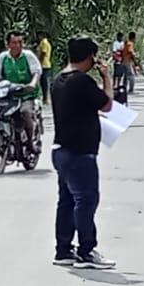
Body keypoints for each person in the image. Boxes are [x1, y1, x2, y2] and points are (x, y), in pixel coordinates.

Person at [50, 36, 115, 270]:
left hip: (61, 150)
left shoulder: (58, 80)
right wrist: (107, 76)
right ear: (90, 58)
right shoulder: (82, 81)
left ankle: (63, 250)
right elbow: (107, 105)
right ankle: (87, 251)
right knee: (86, 201)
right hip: (81, 152)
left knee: (66, 202)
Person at [0, 31, 43, 141]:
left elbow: (36, 72)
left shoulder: (28, 56)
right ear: (8, 44)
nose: (18, 45)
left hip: (26, 95)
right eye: (14, 42)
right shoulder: (3, 57)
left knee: (25, 112)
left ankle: (31, 142)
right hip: (9, 95)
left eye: (20, 42)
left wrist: (32, 84)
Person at [36, 32, 53, 104]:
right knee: (43, 82)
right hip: (45, 64)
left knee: (44, 82)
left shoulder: (44, 42)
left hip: (44, 65)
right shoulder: (44, 42)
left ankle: (45, 98)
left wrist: (39, 62)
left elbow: (43, 53)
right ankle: (44, 97)